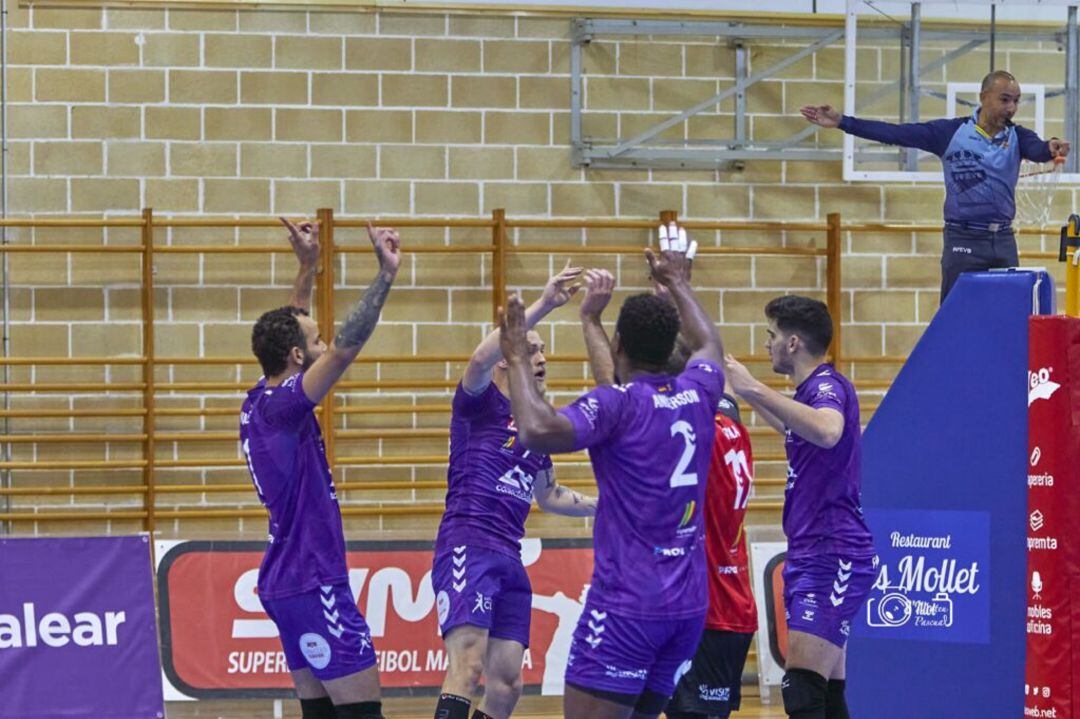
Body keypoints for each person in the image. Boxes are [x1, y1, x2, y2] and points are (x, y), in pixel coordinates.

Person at [498, 225, 725, 719]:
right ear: (670, 346)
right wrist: (679, 283)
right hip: (686, 609)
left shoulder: (618, 407)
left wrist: (515, 355)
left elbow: (536, 430)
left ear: (619, 342)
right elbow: (708, 344)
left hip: (626, 608)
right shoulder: (701, 391)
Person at [577, 265, 758, 719]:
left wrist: (594, 322)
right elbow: (709, 356)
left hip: (699, 606)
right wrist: (678, 295)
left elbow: (619, 393)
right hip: (731, 602)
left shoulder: (686, 428)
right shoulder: (729, 423)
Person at [240, 217, 401, 719]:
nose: (322, 341)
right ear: (296, 356)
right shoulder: (285, 407)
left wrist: (307, 267)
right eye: (315, 340)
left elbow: (295, 324)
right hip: (313, 579)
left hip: (289, 580)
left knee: (321, 713)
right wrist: (385, 275)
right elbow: (345, 348)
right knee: (361, 712)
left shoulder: (259, 398)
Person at [432, 262, 598, 719]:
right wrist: (544, 304)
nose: (542, 358)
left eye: (545, 351)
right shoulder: (479, 403)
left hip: (510, 555)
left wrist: (605, 507)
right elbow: (477, 360)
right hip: (468, 543)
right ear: (509, 355)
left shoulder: (535, 425)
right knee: (467, 665)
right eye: (532, 348)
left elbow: (549, 495)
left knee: (506, 685)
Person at [723, 296, 875, 719]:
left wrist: (752, 386)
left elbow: (827, 430)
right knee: (826, 692)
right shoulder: (809, 393)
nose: (765, 344)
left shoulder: (826, 387)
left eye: (770, 336)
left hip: (833, 552)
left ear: (792, 343)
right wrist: (748, 394)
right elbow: (799, 429)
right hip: (815, 550)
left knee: (801, 688)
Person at [801, 69, 1072, 301]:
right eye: (1004, 99)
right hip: (963, 239)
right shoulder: (950, 133)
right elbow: (896, 134)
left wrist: (1052, 146)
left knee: (1007, 312)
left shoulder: (1018, 136)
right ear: (983, 97)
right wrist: (842, 122)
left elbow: (1038, 149)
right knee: (956, 315)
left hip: (1002, 240)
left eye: (1015, 101)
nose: (1011, 108)